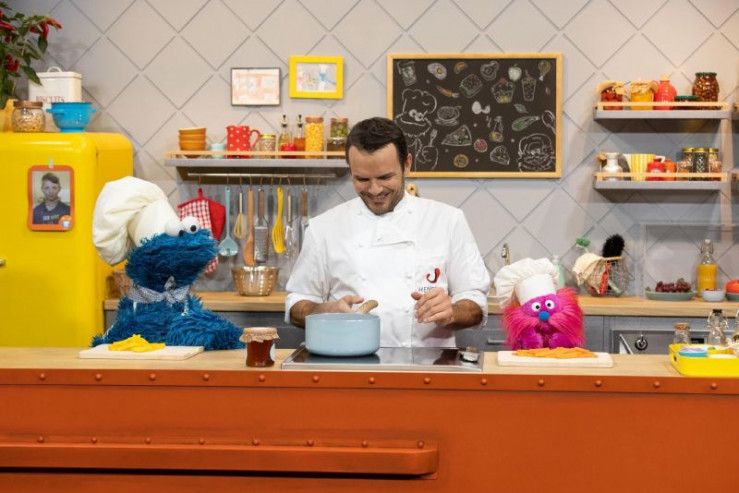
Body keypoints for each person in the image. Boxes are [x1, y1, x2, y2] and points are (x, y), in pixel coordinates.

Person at [285, 117, 490, 348]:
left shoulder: (447, 220)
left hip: (428, 364)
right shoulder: (324, 227)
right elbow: (296, 305)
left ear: (407, 164)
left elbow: (476, 304)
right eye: (362, 179)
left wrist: (451, 312)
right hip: (349, 362)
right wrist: (325, 311)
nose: (374, 190)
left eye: (385, 177)